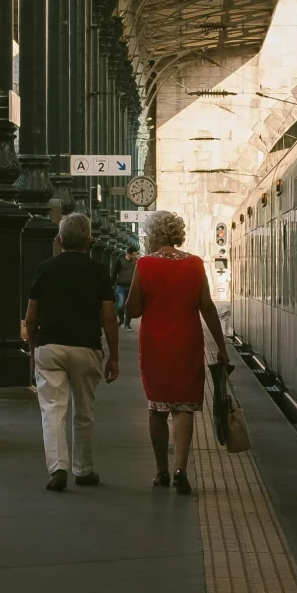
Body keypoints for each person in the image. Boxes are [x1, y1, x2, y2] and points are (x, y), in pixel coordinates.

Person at [126, 208, 226, 495]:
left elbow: (133, 309)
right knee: (184, 407)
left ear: (153, 235)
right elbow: (207, 306)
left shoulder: (144, 265)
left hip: (155, 343)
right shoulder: (195, 264)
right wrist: (220, 346)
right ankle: (182, 469)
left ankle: (162, 471)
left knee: (157, 408)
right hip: (187, 340)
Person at [25, 212, 120, 492]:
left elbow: (31, 317)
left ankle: (58, 469)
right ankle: (84, 469)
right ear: (90, 241)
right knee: (84, 410)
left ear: (58, 239)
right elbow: (109, 317)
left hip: (49, 347)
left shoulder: (44, 268)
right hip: (86, 347)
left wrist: (33, 349)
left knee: (53, 410)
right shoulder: (99, 272)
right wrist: (113, 355)